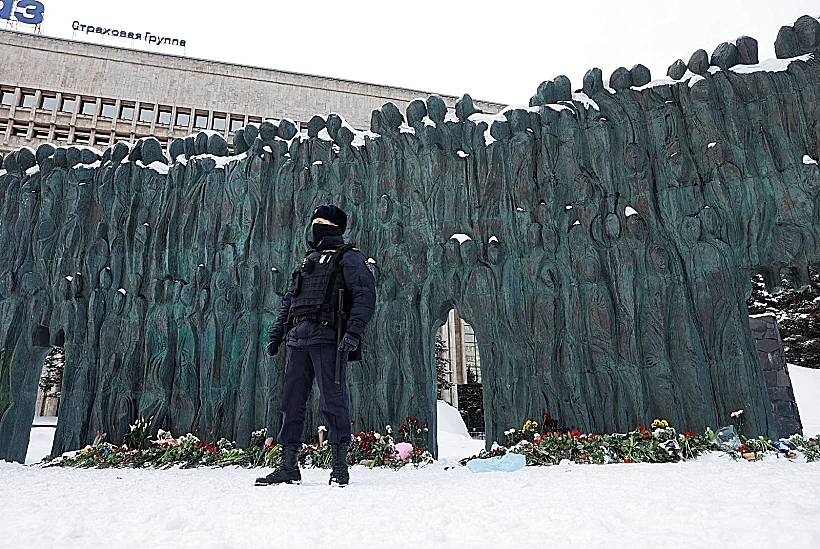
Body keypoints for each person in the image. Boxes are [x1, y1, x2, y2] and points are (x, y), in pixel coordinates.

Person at [256, 205, 376, 487]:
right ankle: (288, 466)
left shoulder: (350, 258)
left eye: (322, 221)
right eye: (314, 221)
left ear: (336, 227)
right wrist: (276, 334)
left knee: (333, 402)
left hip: (328, 338)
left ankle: (339, 467)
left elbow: (364, 297)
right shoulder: (305, 262)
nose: (316, 226)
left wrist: (354, 332)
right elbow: (289, 300)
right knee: (291, 402)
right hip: (297, 339)